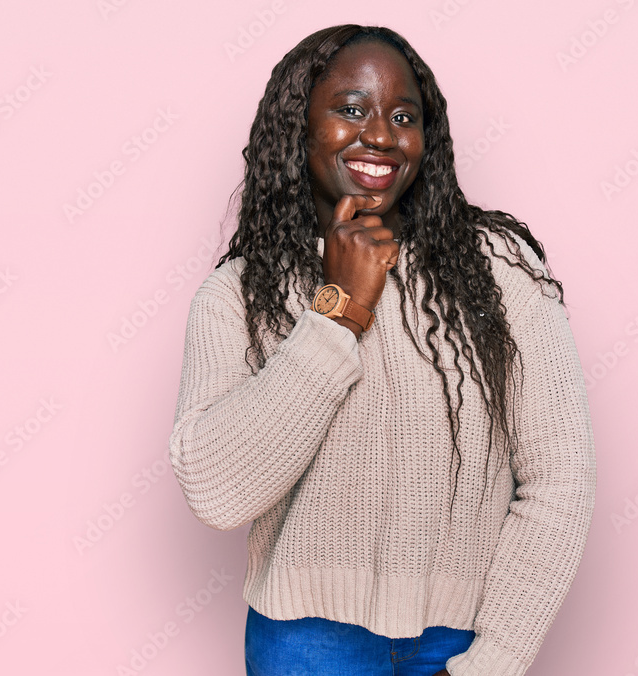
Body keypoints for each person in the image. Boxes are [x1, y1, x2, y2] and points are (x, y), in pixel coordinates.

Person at [168, 24, 596, 676]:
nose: (380, 134)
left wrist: (494, 661)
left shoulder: (502, 271)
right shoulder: (236, 297)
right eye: (350, 109)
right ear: (298, 126)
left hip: (465, 639)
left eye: (403, 115)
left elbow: (561, 482)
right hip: (303, 648)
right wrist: (340, 310)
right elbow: (218, 494)